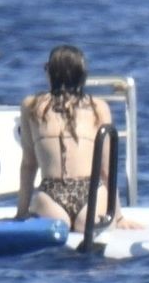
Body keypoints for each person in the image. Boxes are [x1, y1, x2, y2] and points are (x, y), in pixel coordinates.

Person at [14, 45, 139, 231]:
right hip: (90, 189)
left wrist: (21, 213)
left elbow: (29, 164)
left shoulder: (31, 106)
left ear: (50, 73)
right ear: (82, 75)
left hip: (51, 191)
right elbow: (107, 171)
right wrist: (118, 216)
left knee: (58, 226)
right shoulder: (98, 107)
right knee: (86, 225)